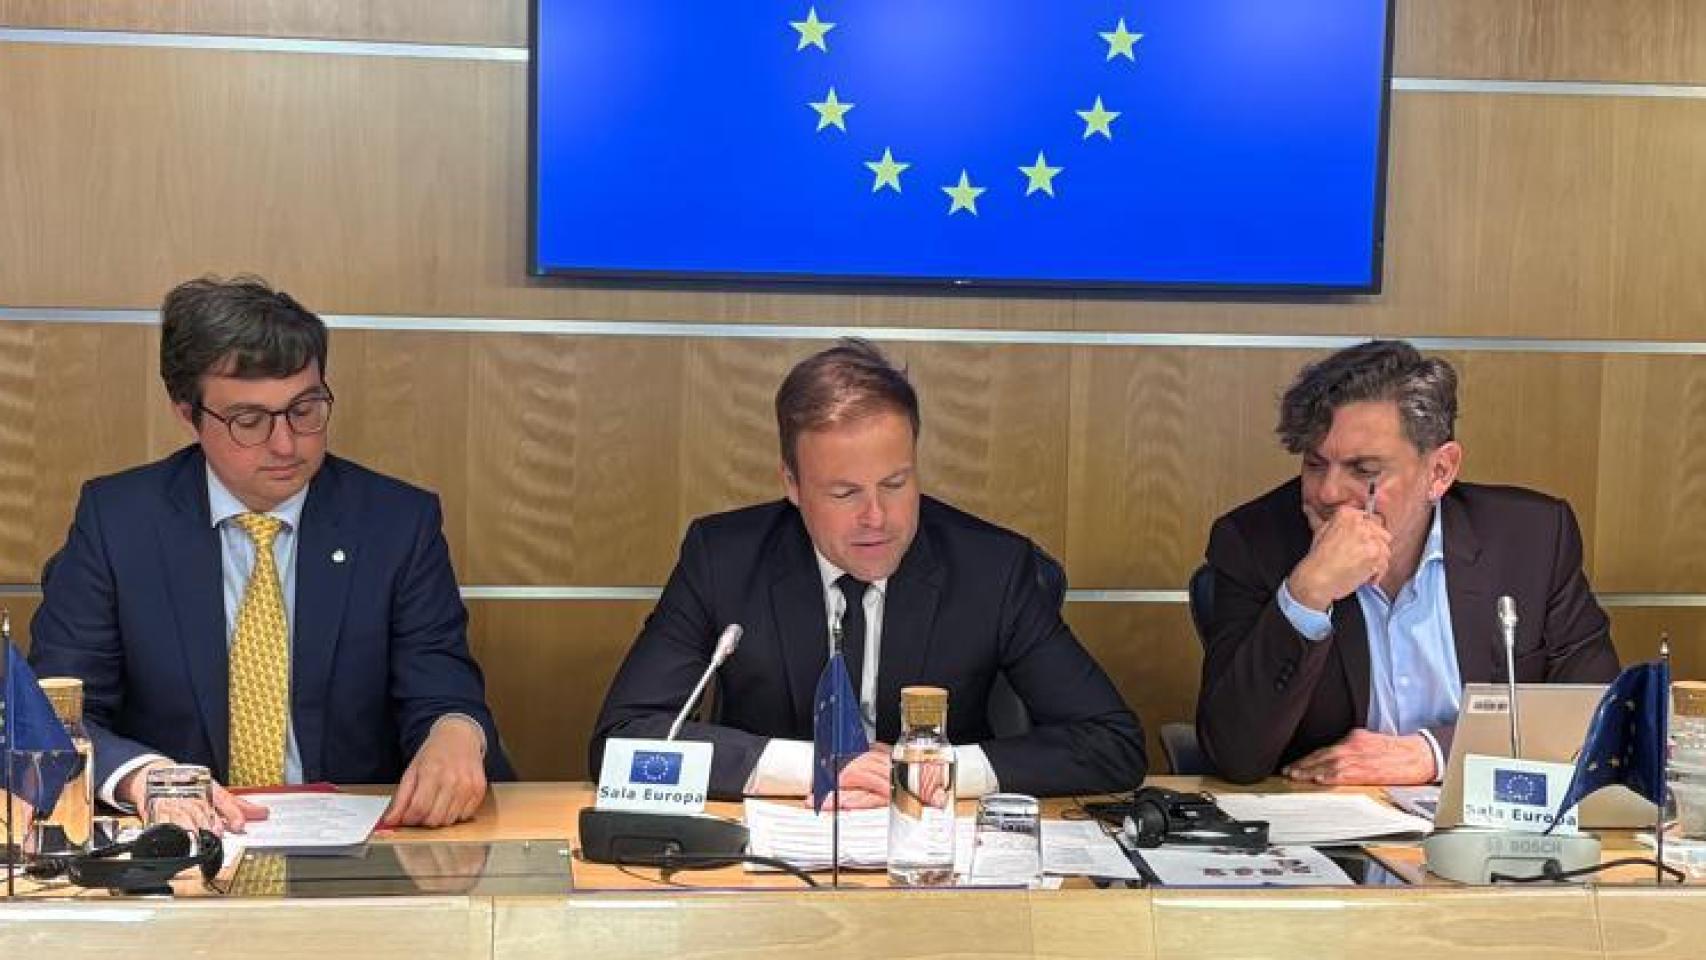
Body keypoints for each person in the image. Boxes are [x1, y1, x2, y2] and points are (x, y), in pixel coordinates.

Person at [29, 276, 513, 831]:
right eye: (249, 421)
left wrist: (456, 731)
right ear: (187, 413)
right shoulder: (118, 522)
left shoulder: (396, 523)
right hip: (181, 840)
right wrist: (147, 778)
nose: (286, 444)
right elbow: (56, 713)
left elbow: (440, 685)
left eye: (305, 409)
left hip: (361, 846)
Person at [592, 339, 1146, 804]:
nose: (877, 517)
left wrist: (937, 771)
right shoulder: (724, 561)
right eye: (844, 492)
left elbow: (1112, 744)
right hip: (777, 850)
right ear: (792, 484)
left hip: (936, 849)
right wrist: (817, 768)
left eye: (895, 484)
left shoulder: (992, 569)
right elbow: (621, 743)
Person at [1196, 340, 1618, 785]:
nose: (1327, 493)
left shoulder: (1530, 538)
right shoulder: (1255, 542)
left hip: (1484, 811)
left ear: (1439, 471)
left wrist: (1435, 754)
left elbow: (1601, 713)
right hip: (1327, 814)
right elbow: (1234, 756)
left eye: (1364, 470)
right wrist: (1307, 594)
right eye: (1315, 464)